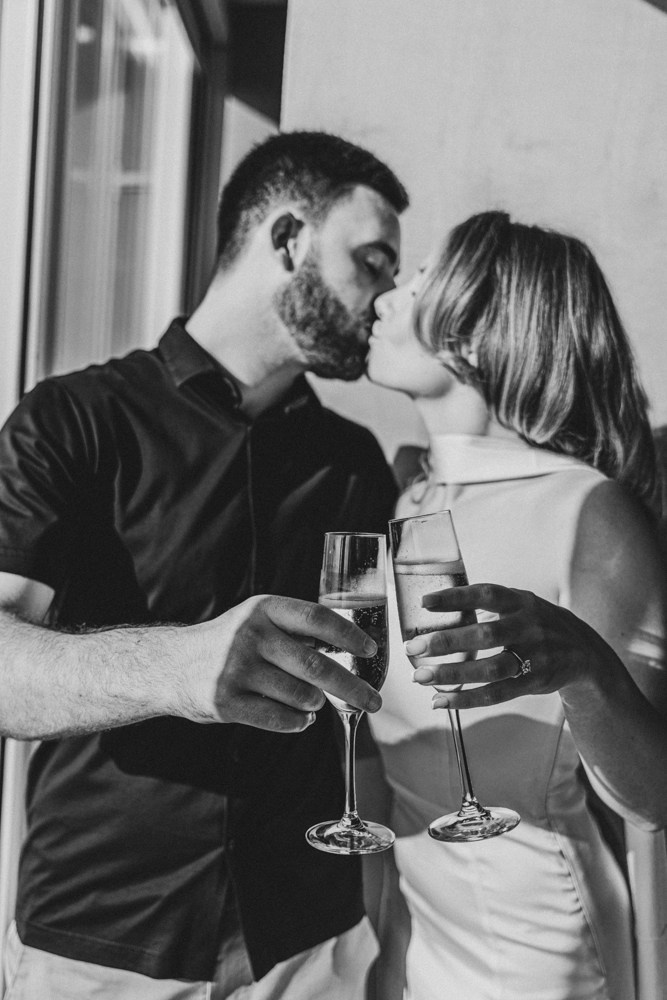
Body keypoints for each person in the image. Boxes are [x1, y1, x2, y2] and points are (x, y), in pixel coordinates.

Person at [0, 130, 409, 998]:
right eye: (370, 261)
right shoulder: (72, 421)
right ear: (289, 238)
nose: (383, 298)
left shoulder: (355, 463)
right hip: (105, 948)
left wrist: (388, 916)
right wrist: (180, 666)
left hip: (313, 944)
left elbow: (357, 702)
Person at [364, 210, 667, 999]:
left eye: (419, 280)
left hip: (541, 948)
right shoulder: (411, 505)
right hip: (417, 940)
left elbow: (655, 796)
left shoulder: (588, 511)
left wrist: (584, 668)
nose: (386, 298)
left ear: (473, 330)